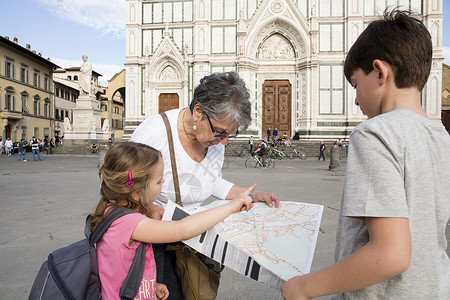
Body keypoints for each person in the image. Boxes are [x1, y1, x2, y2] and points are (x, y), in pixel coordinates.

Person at [281, 9, 450, 300]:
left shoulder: (375, 134)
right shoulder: (441, 137)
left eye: (357, 84)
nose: (357, 99)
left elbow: (391, 254)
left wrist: (304, 287)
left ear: (380, 72)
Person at [131, 71, 279, 299]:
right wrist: (147, 207)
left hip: (193, 237)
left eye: (230, 135)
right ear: (198, 111)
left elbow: (211, 183)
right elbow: (124, 181)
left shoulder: (215, 142)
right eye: (220, 132)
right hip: (154, 239)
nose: (223, 142)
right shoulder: (154, 132)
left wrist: (251, 194)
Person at [91, 141, 255, 300]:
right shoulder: (130, 222)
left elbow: (120, 268)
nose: (163, 182)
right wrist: (231, 207)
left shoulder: (113, 212)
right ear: (136, 193)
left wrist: (150, 285)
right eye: (158, 180)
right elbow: (183, 228)